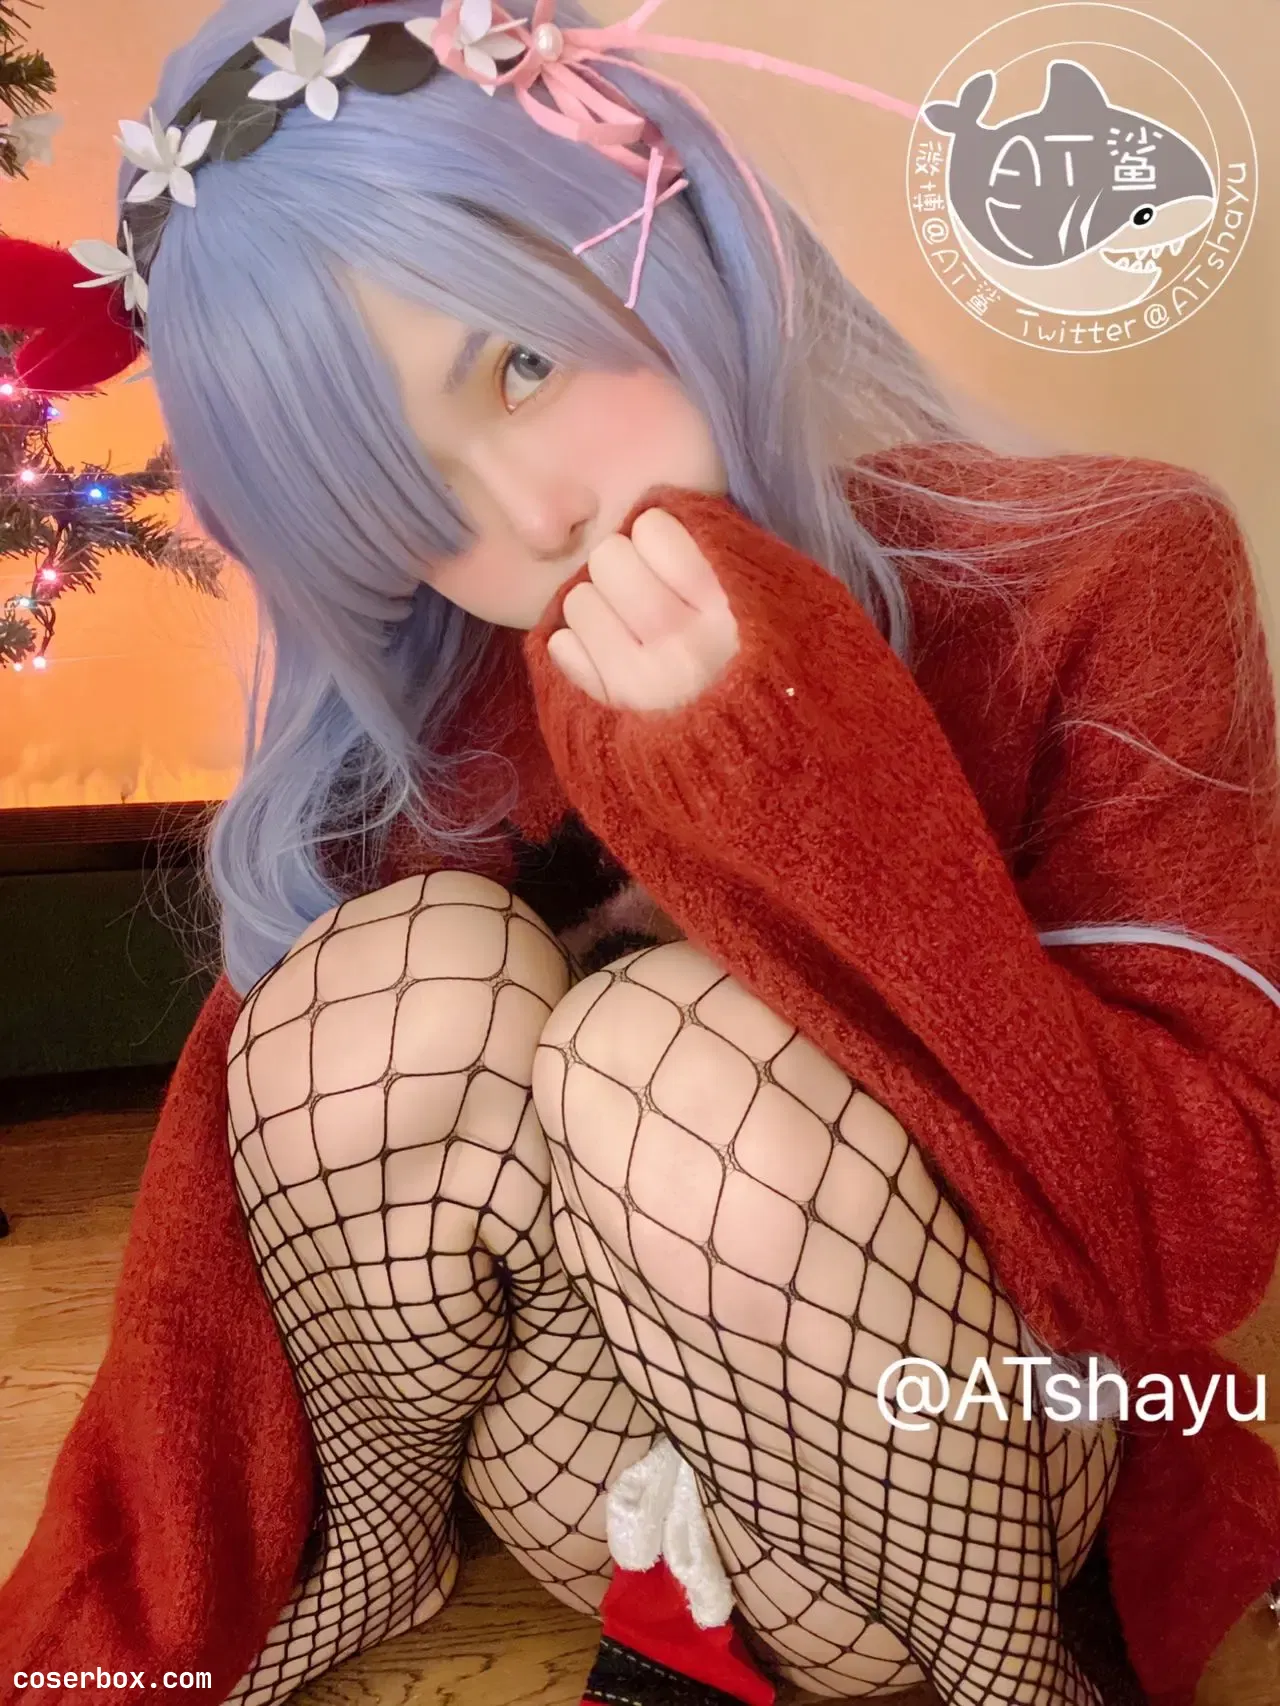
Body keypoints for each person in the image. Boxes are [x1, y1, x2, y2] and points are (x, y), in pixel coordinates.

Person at [1, 3, 1278, 1704]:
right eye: (407, 501)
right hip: (598, 1483)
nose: (530, 516)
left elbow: (1188, 1245)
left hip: (958, 1476)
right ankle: (384, 1542)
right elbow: (232, 1245)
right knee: (386, 980)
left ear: (658, 221)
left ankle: (1022, 1677)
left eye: (522, 364)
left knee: (654, 1047)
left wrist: (785, 766)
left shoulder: (1111, 565)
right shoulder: (460, 698)